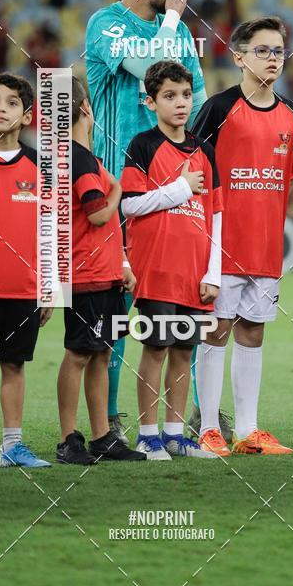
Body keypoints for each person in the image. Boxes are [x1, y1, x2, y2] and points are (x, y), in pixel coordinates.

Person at [85, 0, 207, 443]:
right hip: (116, 188)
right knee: (116, 313)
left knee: (182, 307)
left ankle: (185, 419)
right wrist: (176, 20)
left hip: (176, 188)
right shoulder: (106, 25)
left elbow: (194, 93)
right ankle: (109, 420)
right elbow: (147, 70)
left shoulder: (173, 30)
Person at [192, 16, 293, 455]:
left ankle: (248, 430)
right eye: (262, 50)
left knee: (253, 333)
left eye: (278, 50)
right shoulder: (219, 109)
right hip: (220, 246)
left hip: (264, 247)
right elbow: (194, 170)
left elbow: (287, 182)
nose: (273, 58)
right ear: (239, 57)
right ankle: (208, 429)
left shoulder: (292, 115)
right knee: (215, 330)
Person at [120, 61, 221, 460]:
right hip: (157, 268)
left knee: (184, 352)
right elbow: (129, 205)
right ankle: (148, 434)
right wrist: (180, 188)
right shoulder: (142, 145)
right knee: (157, 349)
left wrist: (213, 272)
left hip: (194, 271)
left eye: (185, 94)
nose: (180, 103)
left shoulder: (205, 151)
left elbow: (216, 214)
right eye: (169, 96)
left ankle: (176, 434)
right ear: (151, 101)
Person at [56, 76, 146, 465]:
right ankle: (68, 438)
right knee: (79, 354)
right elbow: (98, 214)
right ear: (86, 110)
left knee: (99, 352)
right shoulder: (77, 159)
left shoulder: (79, 157)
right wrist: (120, 189)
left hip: (103, 273)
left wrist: (121, 262)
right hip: (85, 275)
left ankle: (100, 436)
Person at [0, 73, 52, 471]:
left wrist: (50, 288)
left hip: (25, 289)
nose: (1, 108)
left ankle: (13, 446)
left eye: (12, 103)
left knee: (14, 365)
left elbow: (53, 229)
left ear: (27, 115)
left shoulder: (42, 167)